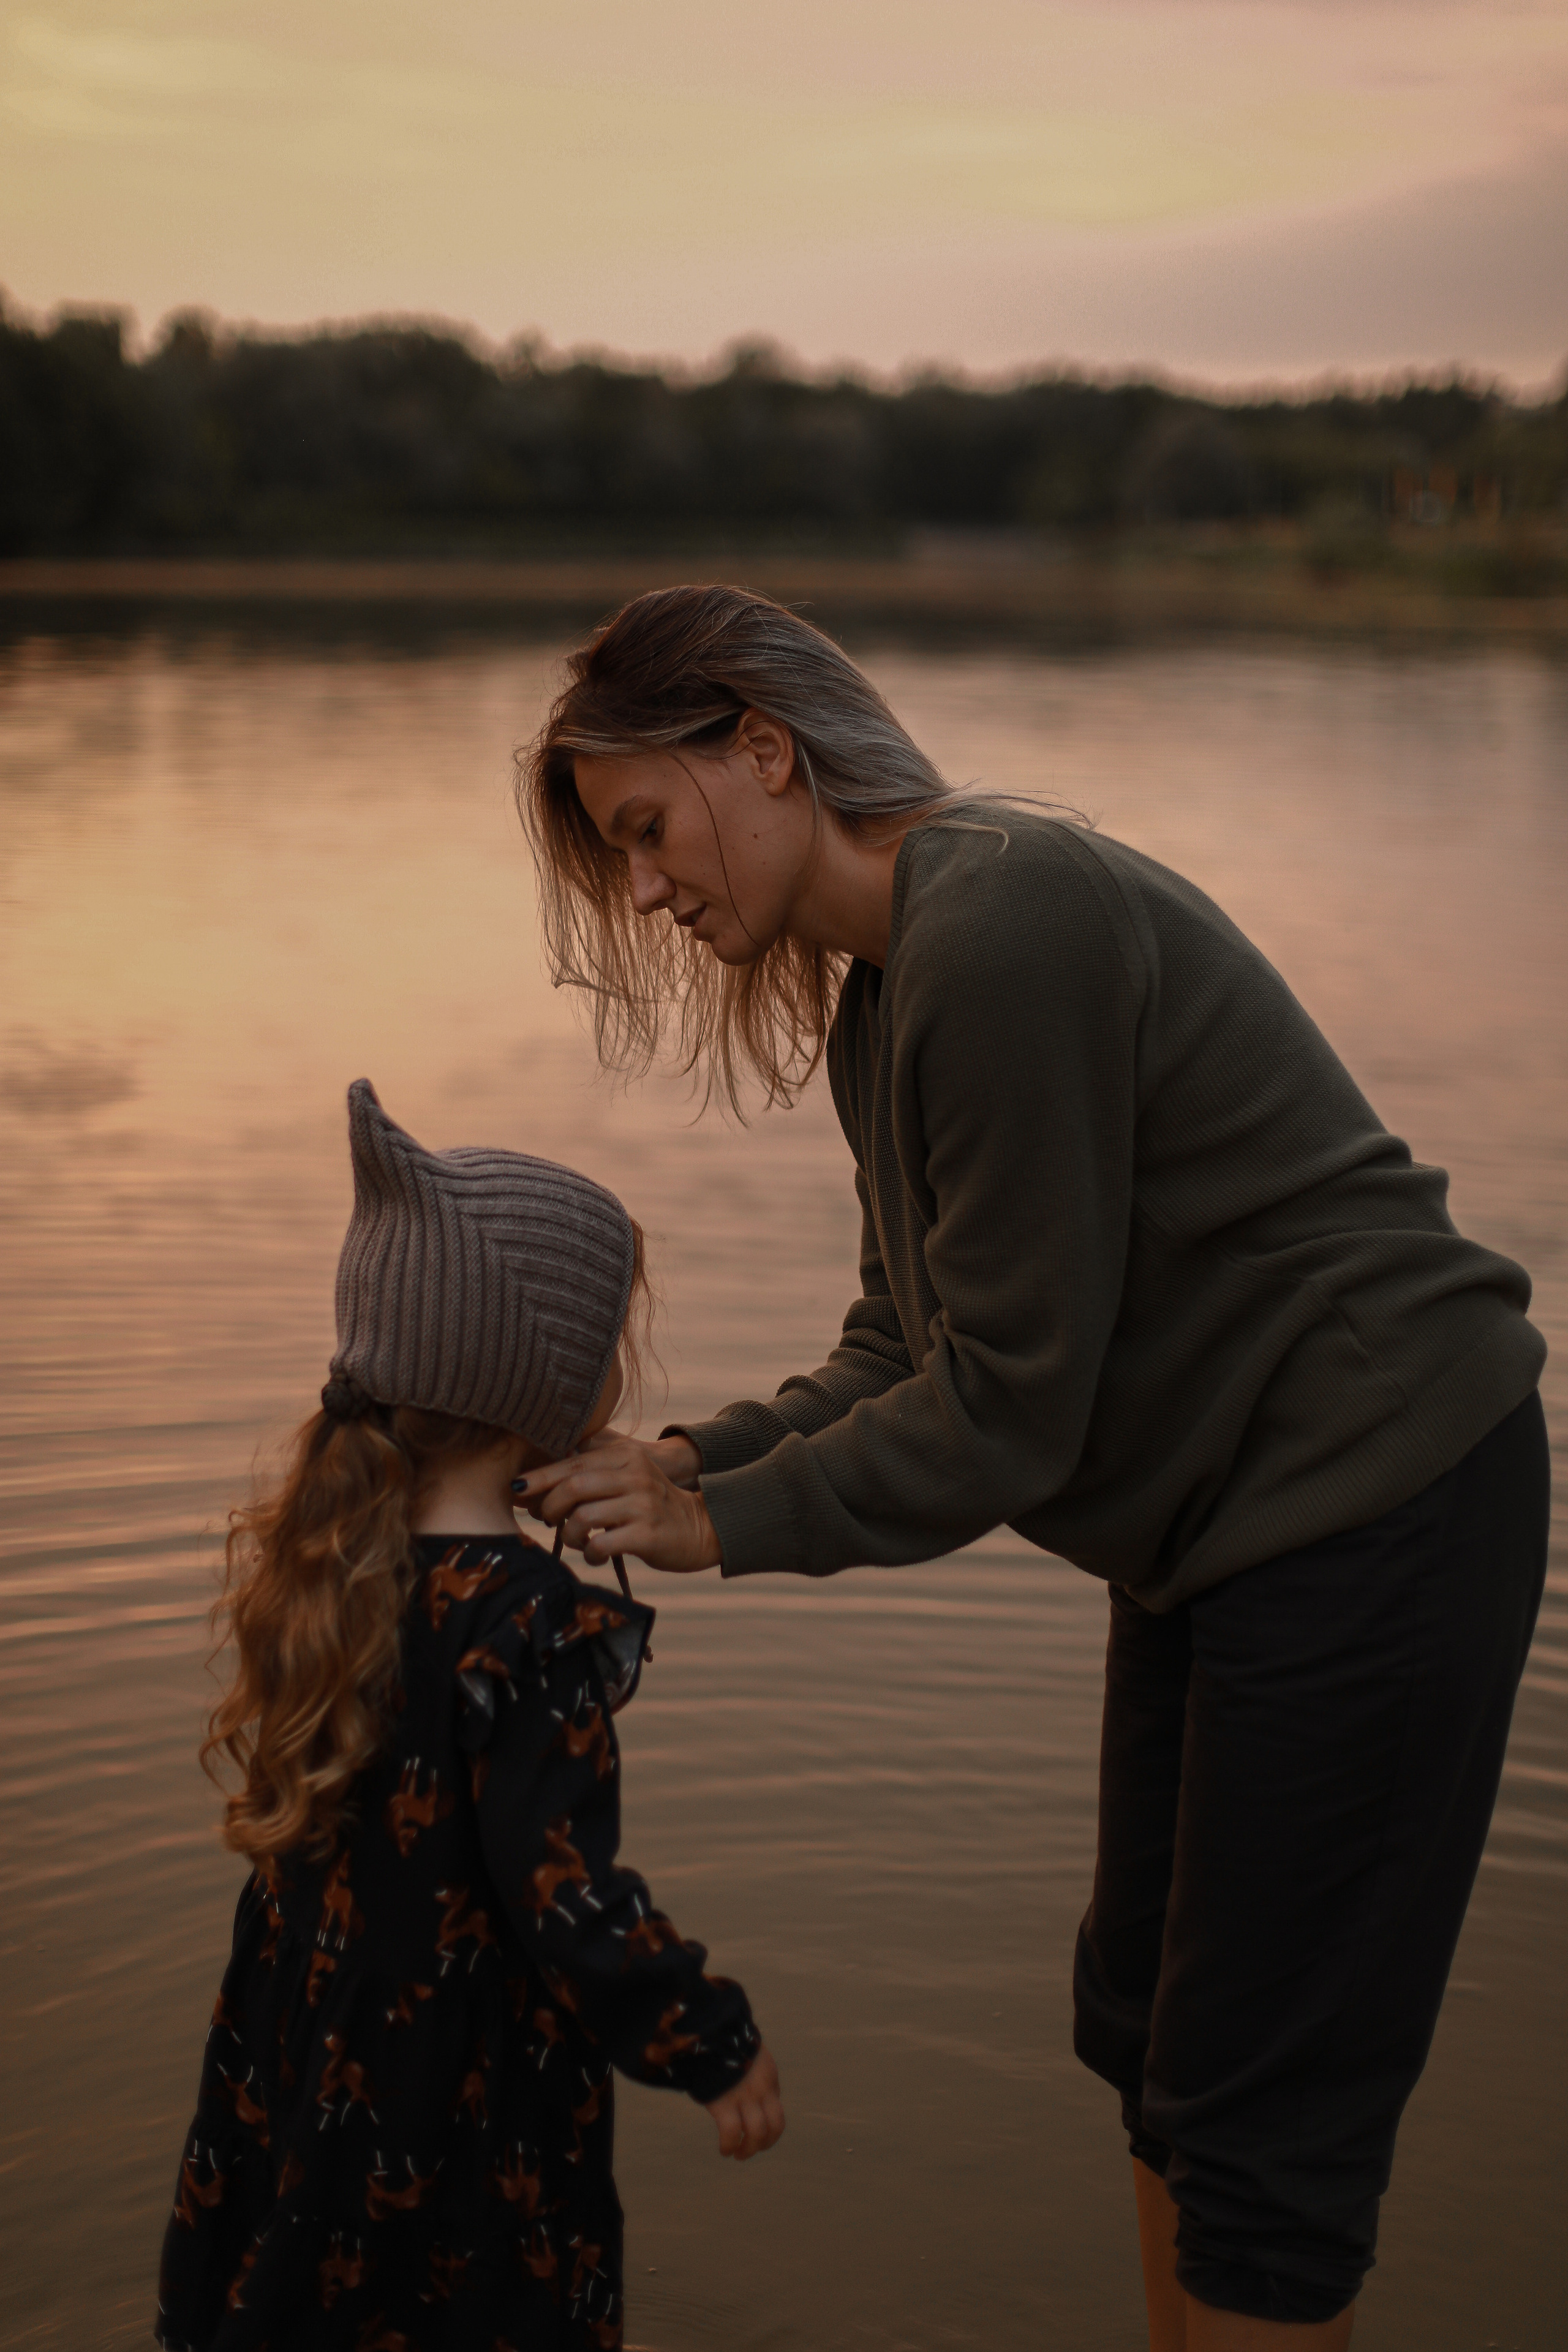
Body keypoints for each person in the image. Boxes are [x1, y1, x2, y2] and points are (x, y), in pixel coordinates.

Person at [514, 584, 1549, 2351]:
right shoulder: (886, 994)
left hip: (1377, 1492)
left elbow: (1008, 1410)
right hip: (1227, 1529)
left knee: (1259, 2118)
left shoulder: (1004, 925)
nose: (648, 890)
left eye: (645, 829)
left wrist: (723, 1523)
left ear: (762, 749)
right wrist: (693, 1451)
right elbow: (901, 1347)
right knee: (1144, 2025)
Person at [156, 1078, 783, 2352]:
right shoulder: (531, 1625)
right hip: (459, 2113)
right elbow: (560, 1893)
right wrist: (707, 2038)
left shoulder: (324, 1574)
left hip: (302, 2069)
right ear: (536, 1379)